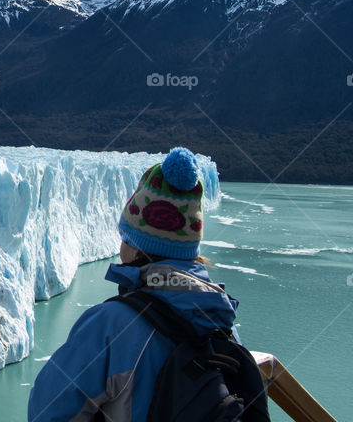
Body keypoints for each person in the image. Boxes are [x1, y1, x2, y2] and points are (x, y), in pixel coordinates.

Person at [28, 147, 242, 422]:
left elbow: (48, 412)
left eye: (125, 235)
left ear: (137, 246)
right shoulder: (220, 319)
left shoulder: (110, 325)